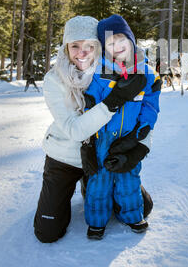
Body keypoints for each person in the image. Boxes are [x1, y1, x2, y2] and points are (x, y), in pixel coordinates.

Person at [33, 15, 149, 243]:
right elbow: (75, 131)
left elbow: (143, 114)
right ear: (66, 48)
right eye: (75, 45)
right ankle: (77, 188)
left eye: (90, 46)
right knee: (47, 232)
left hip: (102, 155)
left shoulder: (114, 72)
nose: (82, 52)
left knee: (143, 208)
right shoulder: (54, 79)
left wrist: (141, 147)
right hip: (64, 158)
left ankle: (91, 185)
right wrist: (113, 102)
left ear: (99, 47)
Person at [82, 14, 161, 240]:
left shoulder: (147, 73)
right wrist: (89, 111)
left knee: (129, 176)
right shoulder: (100, 73)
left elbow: (151, 104)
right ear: (104, 48)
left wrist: (145, 126)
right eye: (110, 42)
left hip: (130, 134)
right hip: (104, 135)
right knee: (100, 179)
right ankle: (97, 220)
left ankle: (133, 215)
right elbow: (91, 99)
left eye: (121, 39)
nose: (117, 46)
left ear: (131, 40)